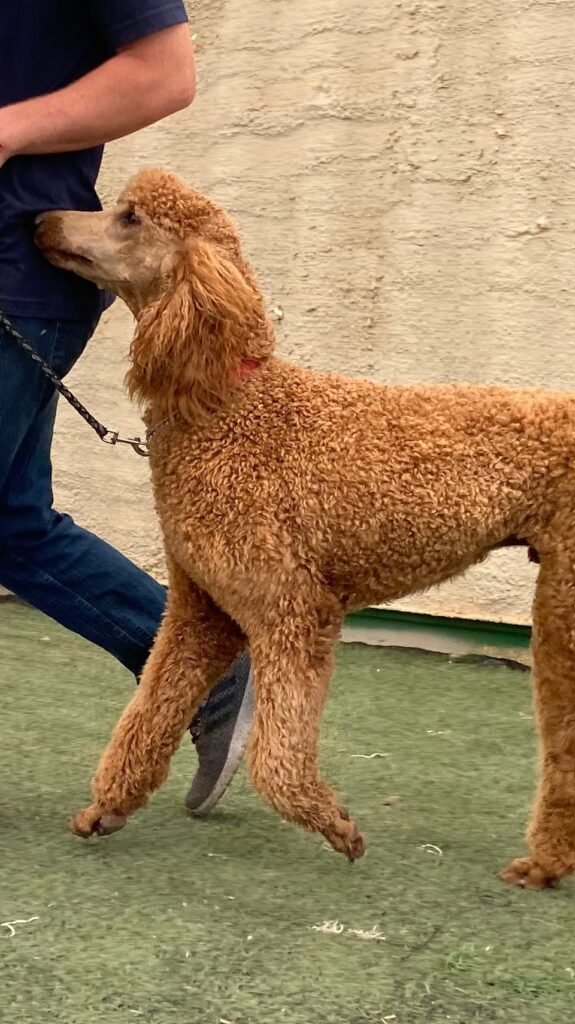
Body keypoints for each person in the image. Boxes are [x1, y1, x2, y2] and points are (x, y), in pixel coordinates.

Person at [0, 2, 253, 815]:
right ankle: (206, 672)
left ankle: (206, 672)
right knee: (12, 522)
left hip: (14, 274)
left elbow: (163, 72)